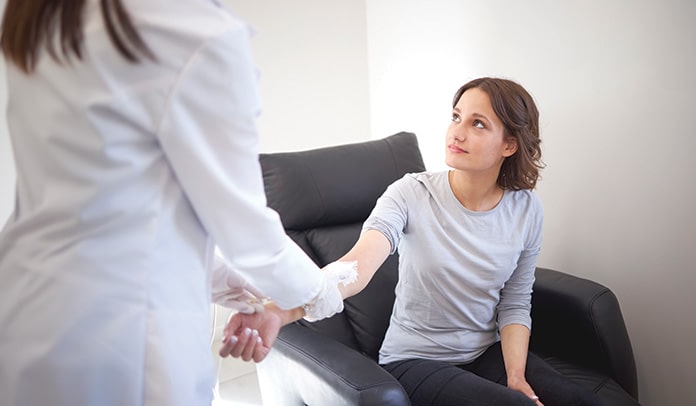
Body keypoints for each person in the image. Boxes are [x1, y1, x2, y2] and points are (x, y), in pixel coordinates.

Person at [0, 1, 350, 405]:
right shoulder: (194, 31)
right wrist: (318, 293)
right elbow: (247, 231)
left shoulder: (52, 18)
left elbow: (119, 208)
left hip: (19, 314)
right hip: (115, 338)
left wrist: (237, 289)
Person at [220, 77, 603, 406]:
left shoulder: (526, 210)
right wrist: (279, 310)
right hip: (415, 361)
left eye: (478, 124)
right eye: (456, 117)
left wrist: (515, 375)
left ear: (509, 145)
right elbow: (355, 269)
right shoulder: (409, 193)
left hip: (486, 352)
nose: (457, 131)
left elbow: (516, 301)